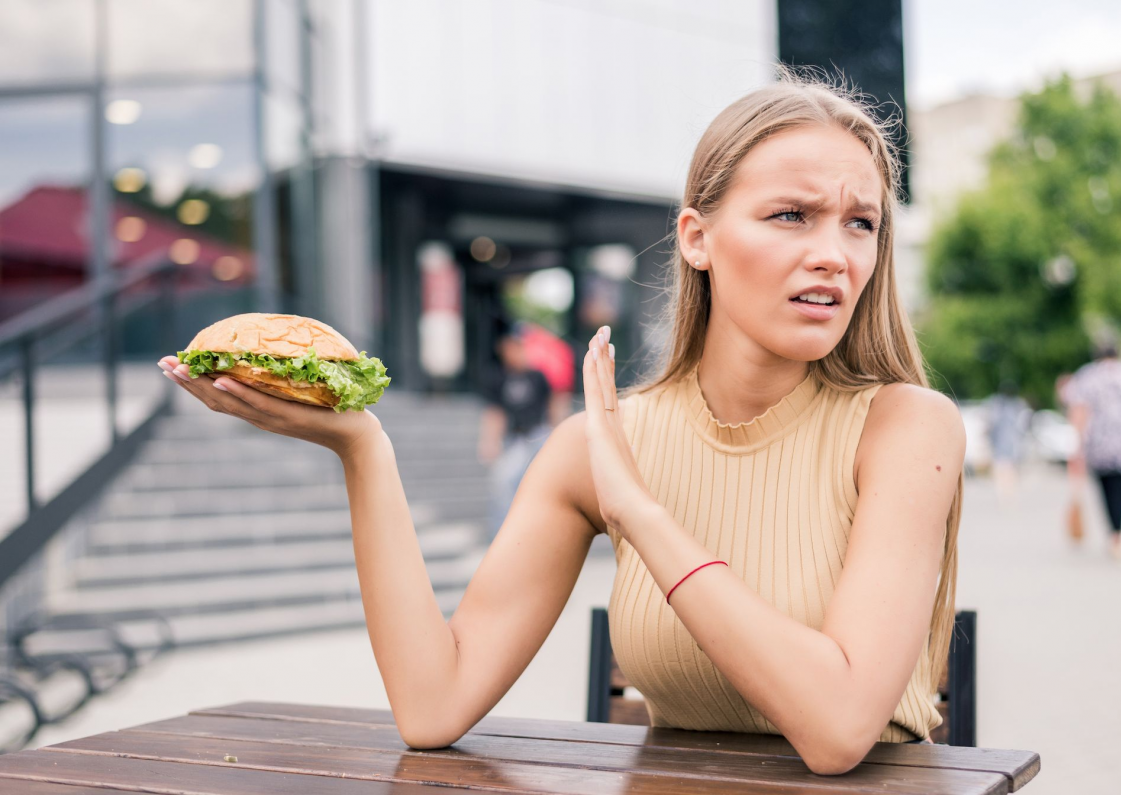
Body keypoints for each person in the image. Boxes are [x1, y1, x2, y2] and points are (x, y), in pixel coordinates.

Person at [156, 68, 965, 775]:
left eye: (861, 222)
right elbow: (433, 706)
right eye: (792, 214)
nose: (836, 252)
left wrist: (640, 515)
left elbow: (837, 730)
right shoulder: (598, 444)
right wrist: (362, 448)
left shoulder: (907, 431)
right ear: (697, 239)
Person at [1061, 343, 1121, 560]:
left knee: (1106, 489)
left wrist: (1077, 444)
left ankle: (1115, 532)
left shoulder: (1088, 375)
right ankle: (1119, 532)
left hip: (1100, 443)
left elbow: (1079, 411)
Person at [478, 329, 554, 543]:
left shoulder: (537, 376)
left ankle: (538, 533)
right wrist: (489, 442)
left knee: (542, 486)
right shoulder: (498, 376)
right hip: (516, 439)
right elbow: (495, 413)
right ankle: (503, 536)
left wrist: (557, 434)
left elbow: (552, 405)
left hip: (539, 434)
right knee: (502, 482)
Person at [984, 380, 1028, 499]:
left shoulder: (999, 407)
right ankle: (1007, 494)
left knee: (1002, 471)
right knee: (1007, 470)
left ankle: (1004, 494)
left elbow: (991, 426)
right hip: (1008, 446)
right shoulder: (1016, 407)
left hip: (1004, 446)